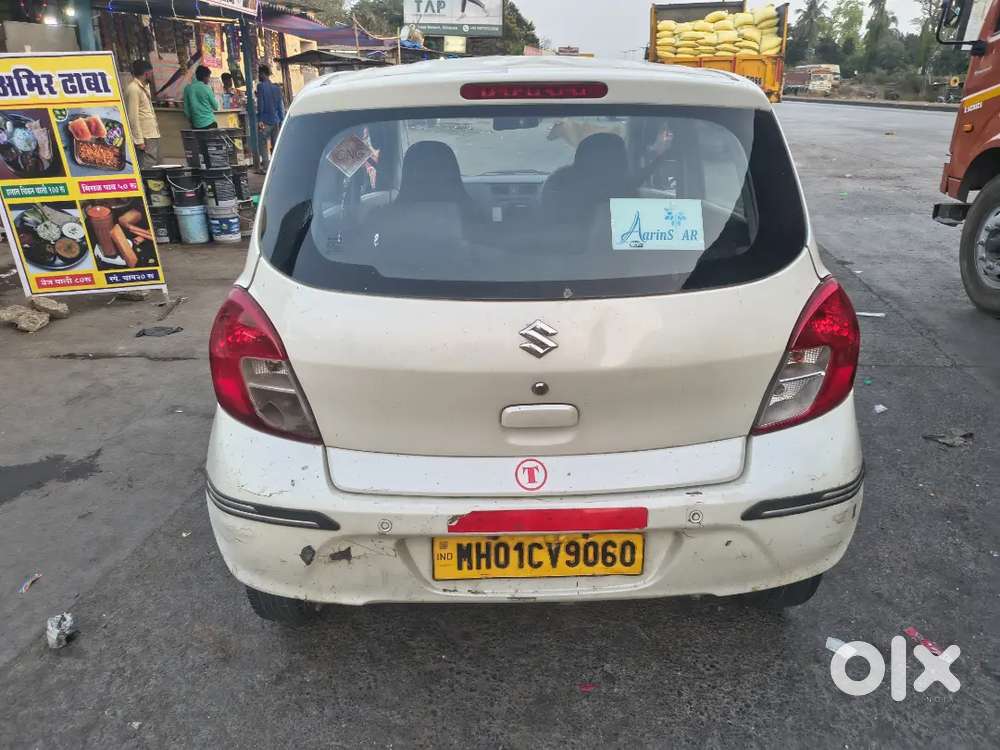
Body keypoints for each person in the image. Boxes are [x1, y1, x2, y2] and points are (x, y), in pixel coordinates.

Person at [125, 59, 160, 168]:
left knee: (153, 164)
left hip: (151, 134)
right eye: (151, 73)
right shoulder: (133, 89)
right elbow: (132, 117)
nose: (152, 76)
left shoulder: (144, 87)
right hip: (145, 136)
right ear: (146, 74)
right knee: (147, 165)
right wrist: (139, 140)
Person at [255, 64, 284, 171]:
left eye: (259, 73)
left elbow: (260, 104)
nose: (259, 75)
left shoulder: (261, 86)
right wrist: (281, 120)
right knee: (275, 144)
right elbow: (280, 106)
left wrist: (260, 120)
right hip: (275, 120)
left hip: (265, 120)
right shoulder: (277, 88)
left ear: (263, 74)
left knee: (262, 143)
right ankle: (276, 167)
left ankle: (266, 167)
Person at [183, 65, 219, 130]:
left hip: (195, 125)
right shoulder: (207, 88)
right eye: (208, 77)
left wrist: (192, 120)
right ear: (204, 77)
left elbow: (186, 110)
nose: (209, 79)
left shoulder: (187, 88)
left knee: (200, 140)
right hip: (209, 123)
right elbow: (216, 107)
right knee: (212, 140)